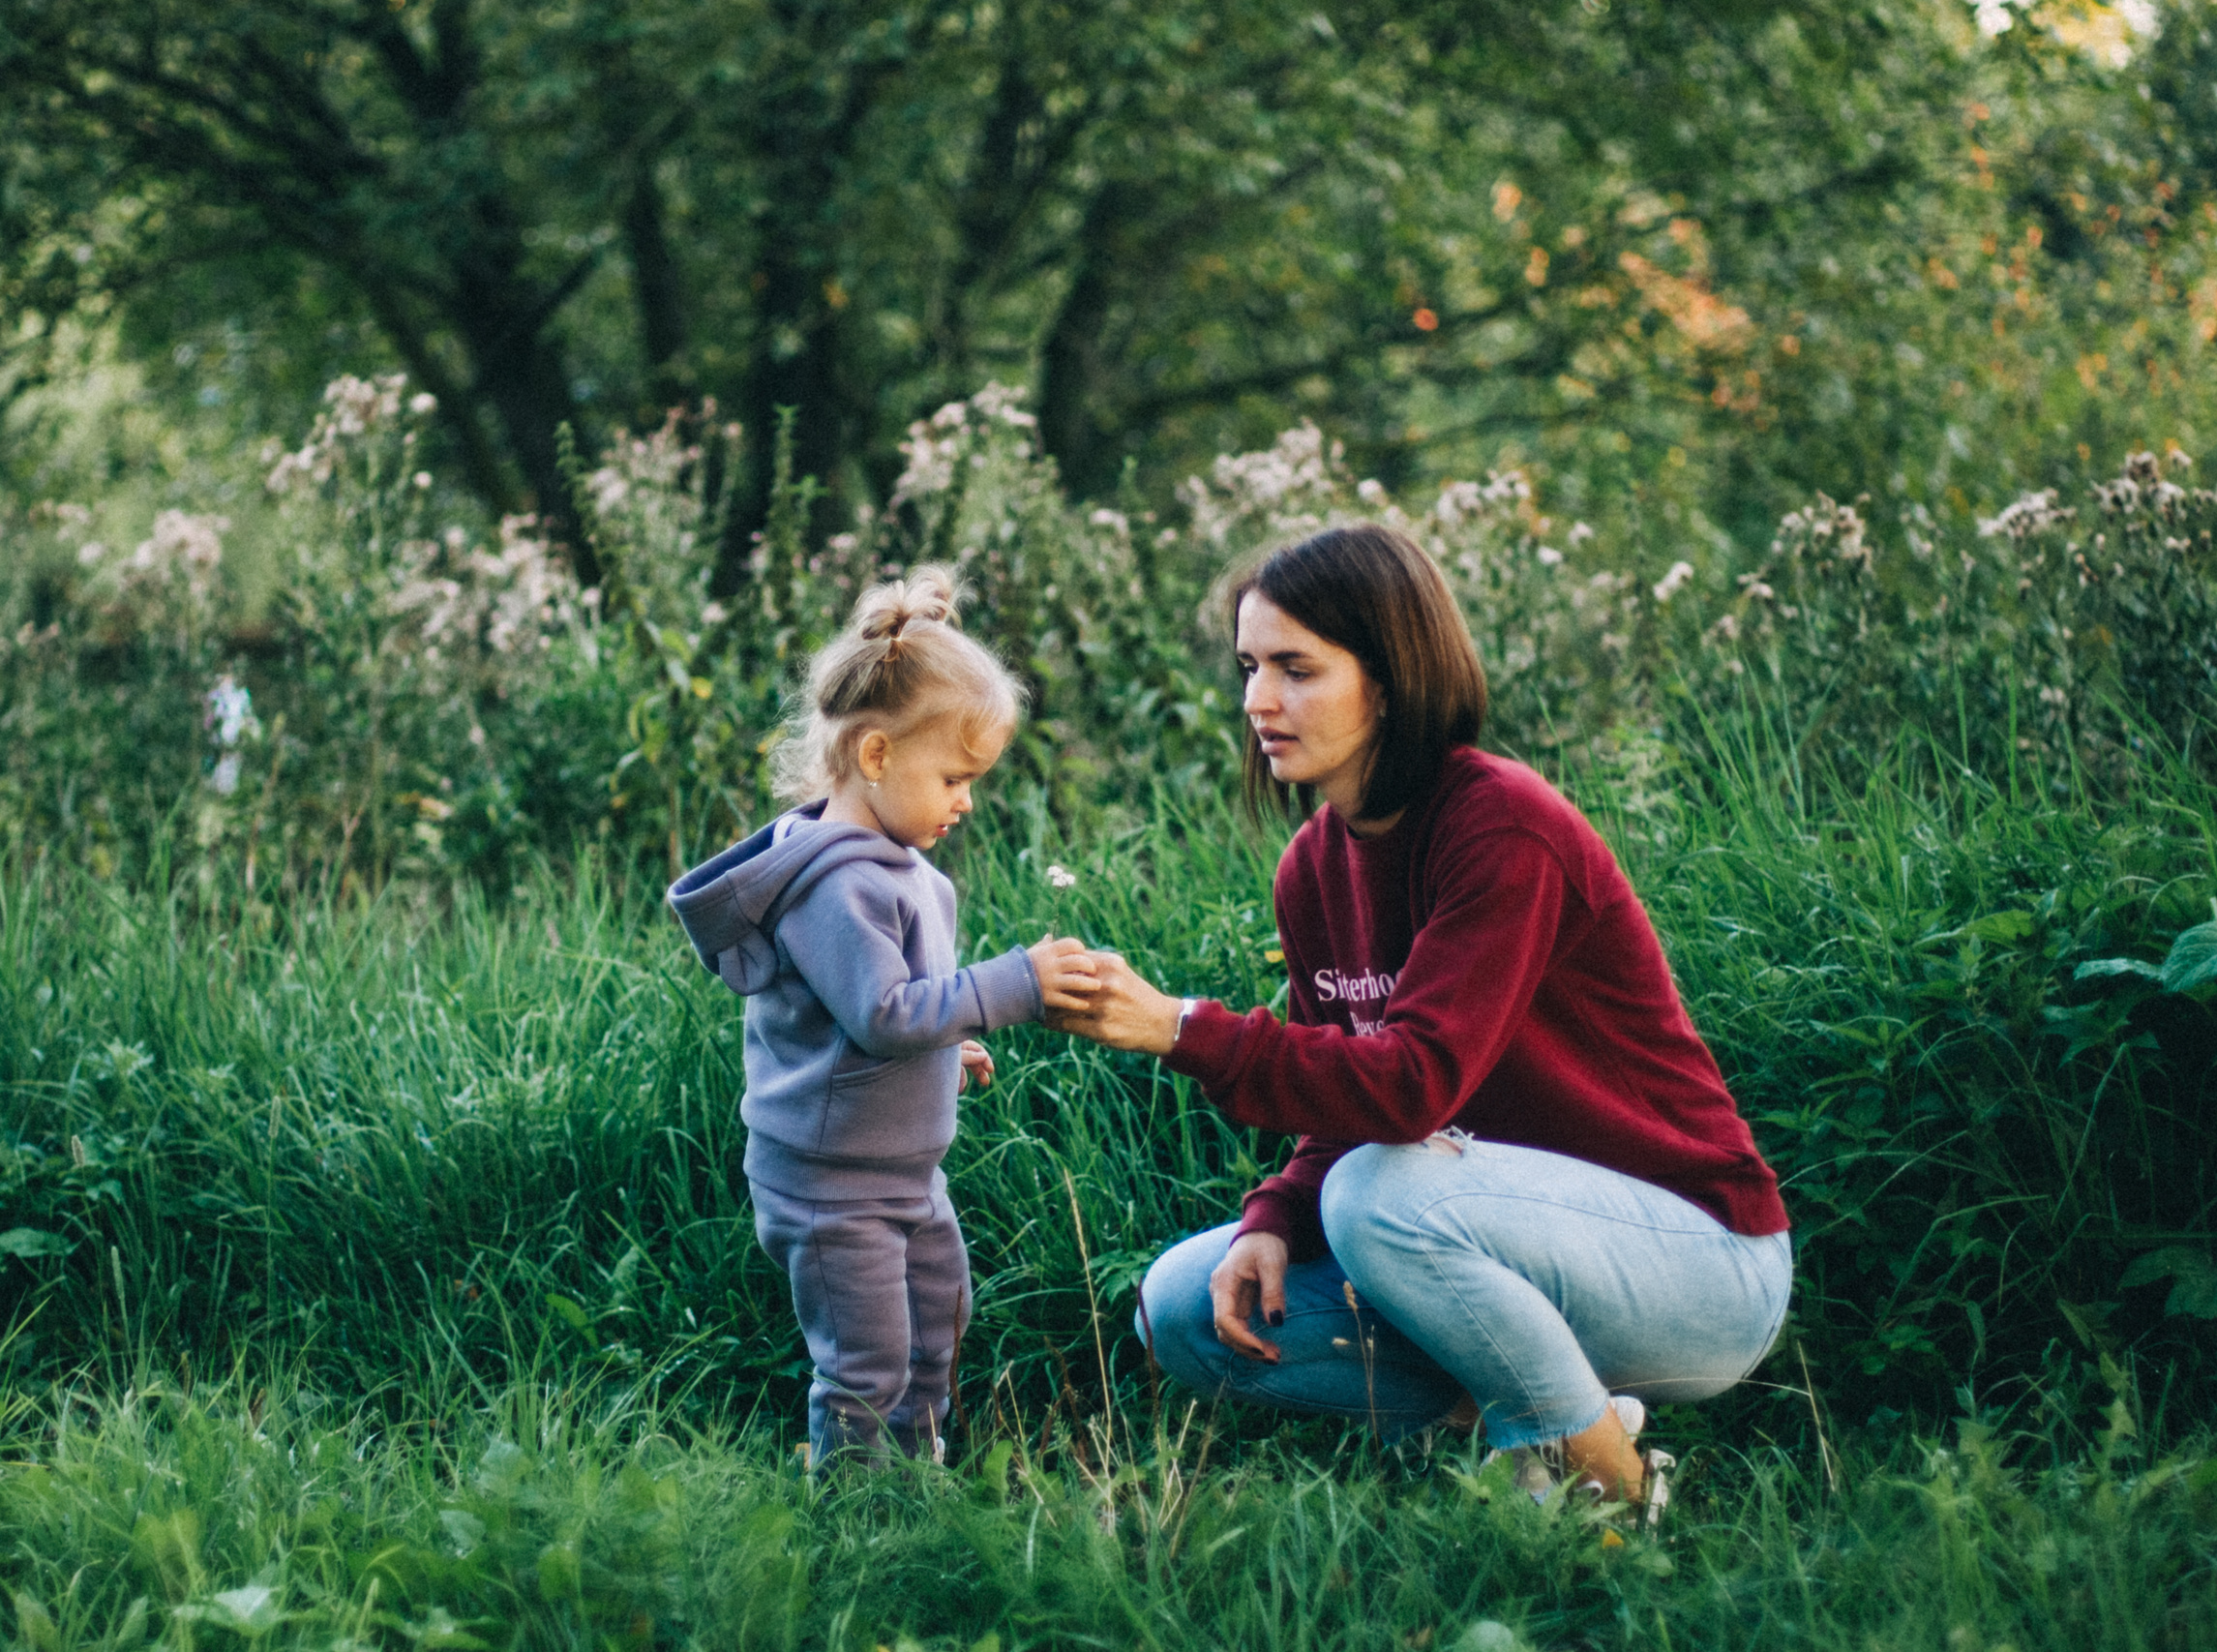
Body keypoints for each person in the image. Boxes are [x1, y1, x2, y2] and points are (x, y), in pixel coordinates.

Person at [1053, 525, 1791, 1504]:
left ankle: (1610, 1489)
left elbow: (1410, 1088)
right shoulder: (1313, 869)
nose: (1257, 700)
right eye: (1249, 667)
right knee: (1184, 1305)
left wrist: (1183, 1028)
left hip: (1695, 1265)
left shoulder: (1501, 826)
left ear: (1391, 680)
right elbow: (1349, 1102)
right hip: (1483, 1239)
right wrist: (1275, 1216)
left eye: (1296, 669)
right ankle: (1541, 1415)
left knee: (1376, 1195)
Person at [668, 568, 1097, 1467]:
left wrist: (947, 1045)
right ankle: (855, 1507)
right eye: (954, 776)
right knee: (866, 1365)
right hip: (830, 1185)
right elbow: (882, 1013)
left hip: (901, 1169)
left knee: (939, 1327)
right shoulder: (835, 883)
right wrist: (1014, 983)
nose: (966, 800)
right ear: (875, 755)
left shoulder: (897, 866)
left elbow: (895, 1013)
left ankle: (914, 1481)